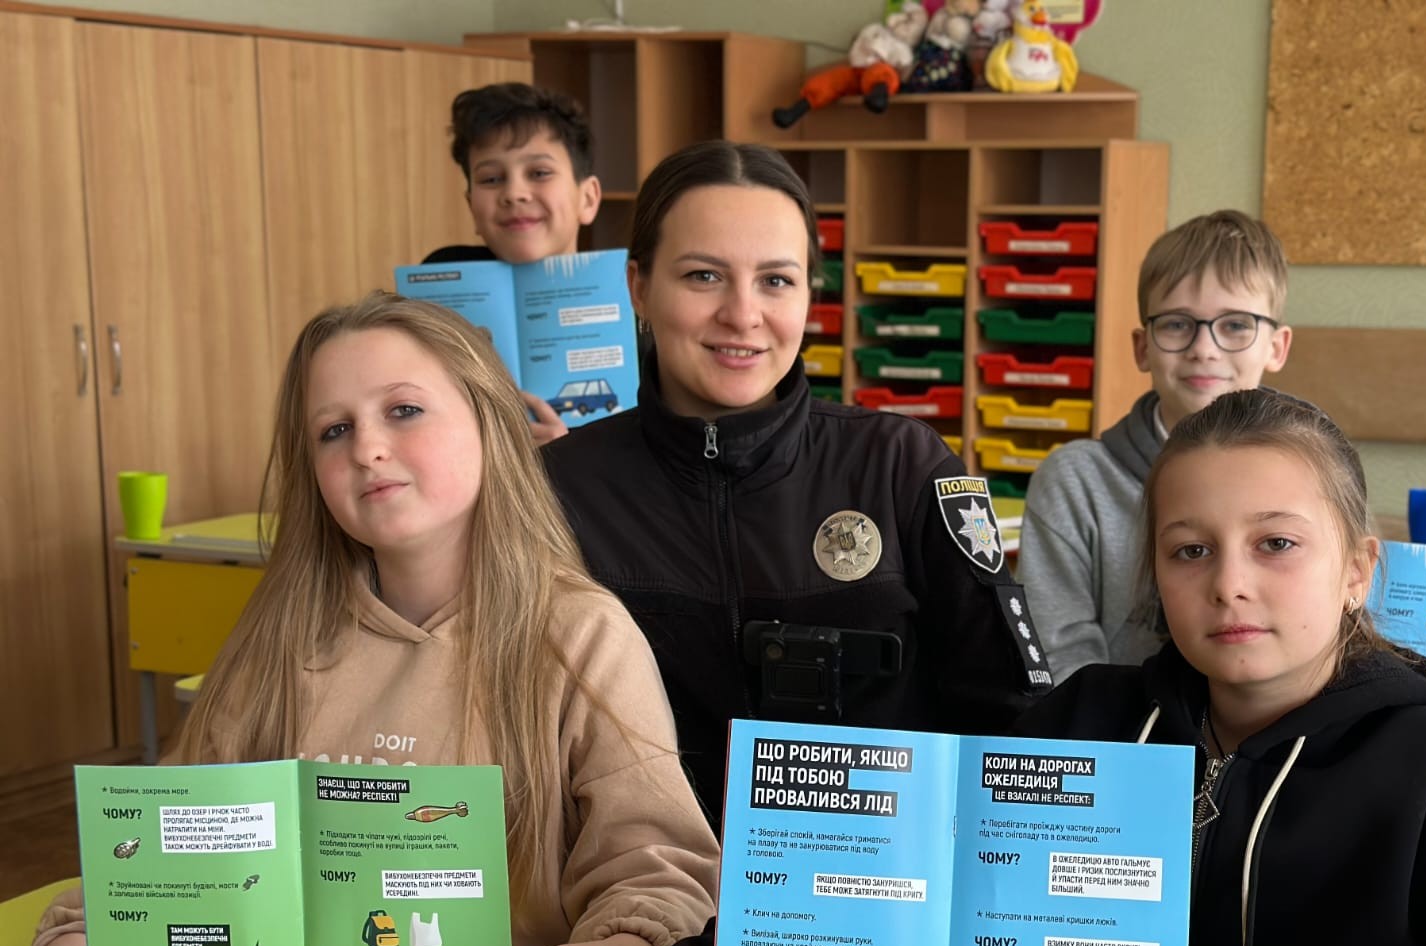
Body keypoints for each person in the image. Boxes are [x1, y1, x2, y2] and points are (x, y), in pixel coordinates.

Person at [616, 389, 1426, 946]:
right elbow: (915, 899)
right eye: (1190, 550)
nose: (1230, 584)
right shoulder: (1085, 721)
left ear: (1356, 568)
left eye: (1276, 544)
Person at [1, 293, 719, 946]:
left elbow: (656, 873)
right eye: (333, 430)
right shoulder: (279, 637)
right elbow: (162, 844)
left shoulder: (580, 635)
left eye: (404, 411)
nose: (367, 449)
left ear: (493, 422)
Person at [542, 140, 1053, 833]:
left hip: (870, 888)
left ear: (810, 293)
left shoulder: (902, 465)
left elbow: (1013, 727)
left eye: (776, 281)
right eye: (703, 276)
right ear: (638, 287)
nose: (742, 314)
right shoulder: (557, 488)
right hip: (645, 887)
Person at [1020, 210, 1293, 682]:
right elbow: (1058, 665)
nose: (1204, 348)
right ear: (1142, 346)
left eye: (1235, 325)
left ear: (1276, 347)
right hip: (1118, 726)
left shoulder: (1313, 478)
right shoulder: (1076, 482)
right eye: (1176, 324)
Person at [424, 82, 606, 446]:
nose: (514, 193)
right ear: (471, 207)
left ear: (587, 199)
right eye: (491, 179)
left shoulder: (630, 300)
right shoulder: (438, 282)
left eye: (539, 173)